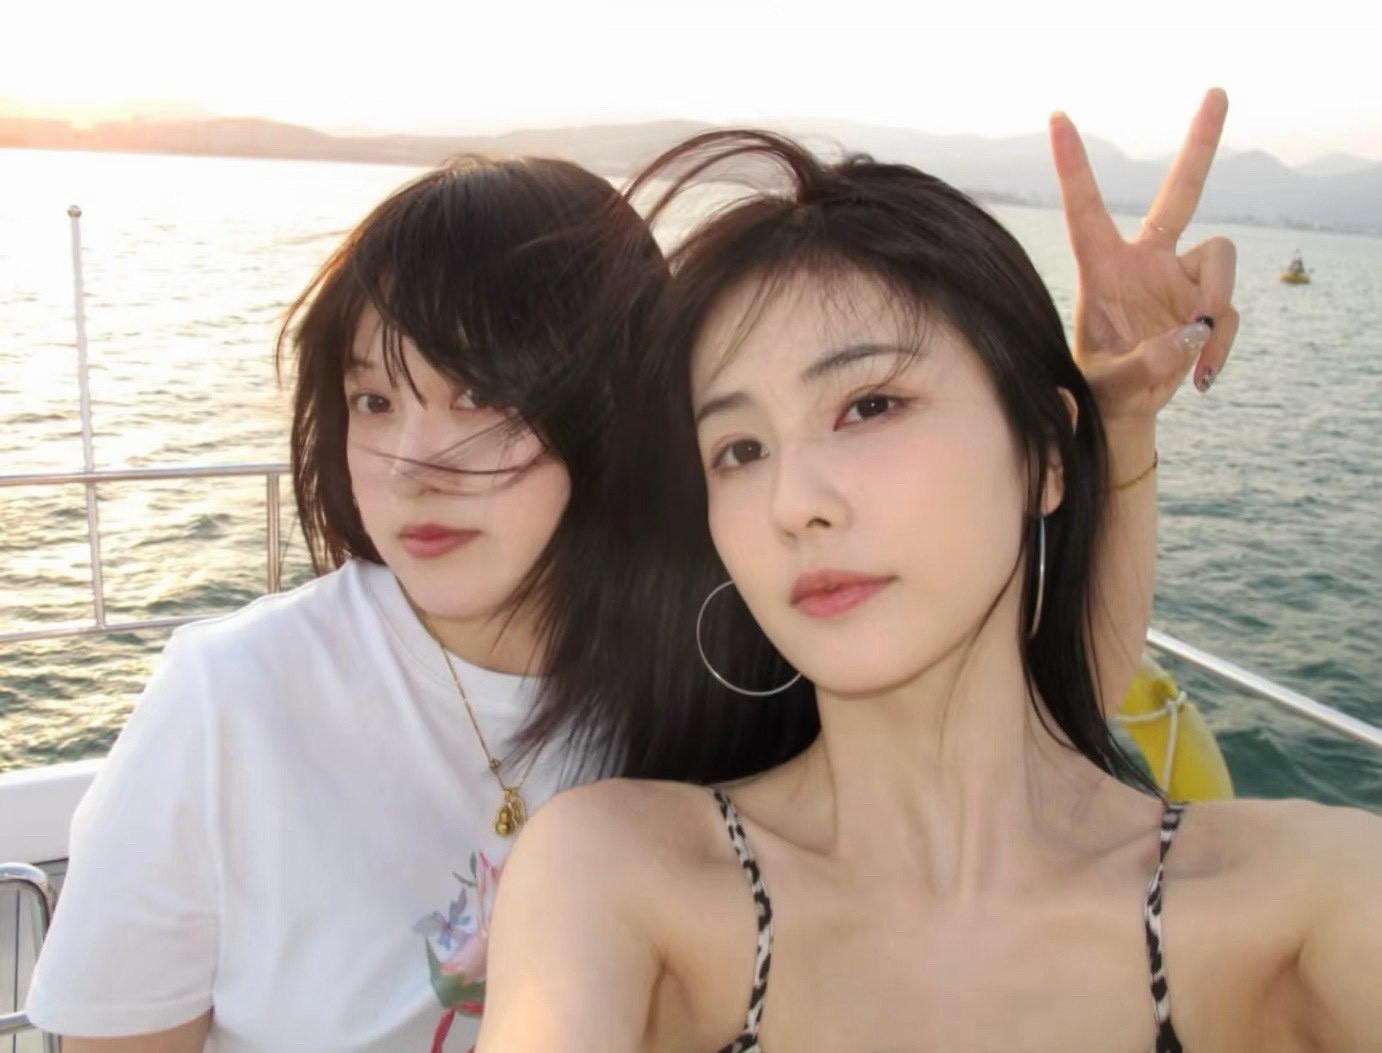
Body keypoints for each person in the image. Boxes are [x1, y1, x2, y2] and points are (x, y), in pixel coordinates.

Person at [29, 97, 1229, 1053]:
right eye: (372, 399)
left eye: (478, 395)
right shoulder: (233, 700)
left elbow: (1034, 723)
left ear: (610, 404)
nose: (411, 463)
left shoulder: (723, 646)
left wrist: (1115, 426)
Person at [478, 92, 1382, 1052]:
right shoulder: (617, 880)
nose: (794, 501)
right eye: (739, 449)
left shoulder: (1309, 904)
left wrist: (1119, 427)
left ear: (1043, 453)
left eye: (869, 405)